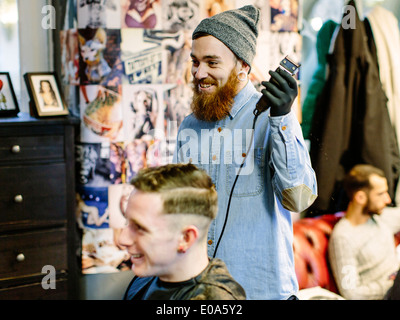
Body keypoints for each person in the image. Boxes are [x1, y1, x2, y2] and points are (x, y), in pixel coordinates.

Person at [173, 5, 317, 299]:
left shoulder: (273, 120)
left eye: (212, 62)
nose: (199, 73)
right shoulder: (189, 126)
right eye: (195, 61)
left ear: (243, 66)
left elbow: (299, 198)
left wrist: (282, 118)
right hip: (203, 294)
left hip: (262, 292)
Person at [118, 163, 246, 300]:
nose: (122, 239)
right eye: (127, 223)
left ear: (185, 238)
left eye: (140, 228)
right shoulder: (146, 278)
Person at [328, 164, 400, 300]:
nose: (388, 200)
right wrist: (390, 284)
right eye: (381, 194)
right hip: (387, 293)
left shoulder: (381, 217)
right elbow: (352, 293)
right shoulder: (343, 237)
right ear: (360, 197)